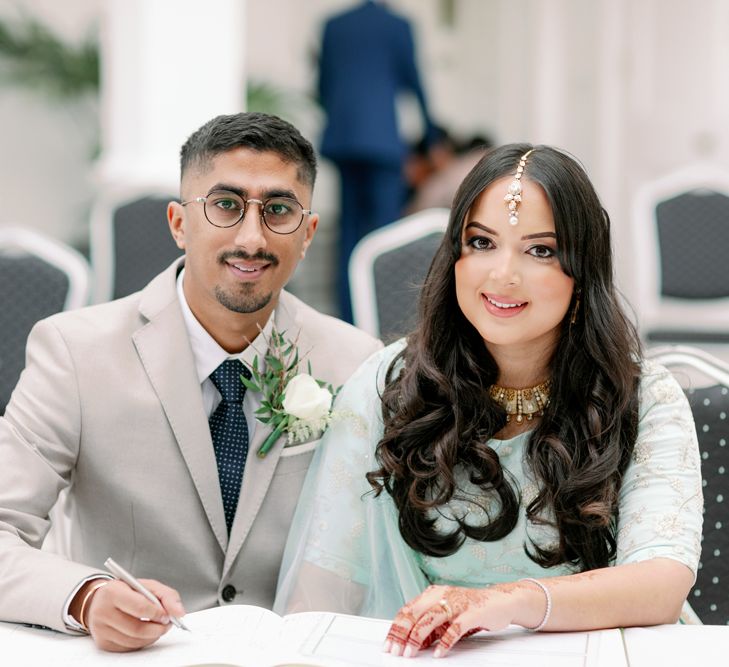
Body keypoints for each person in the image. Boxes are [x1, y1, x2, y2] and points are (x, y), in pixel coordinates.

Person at [275, 144, 703, 658]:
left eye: (540, 250)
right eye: (481, 242)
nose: (503, 274)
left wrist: (507, 602)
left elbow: (660, 583)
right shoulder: (391, 386)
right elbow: (325, 594)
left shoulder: (641, 397)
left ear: (582, 270)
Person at [0, 112, 381, 652]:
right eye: (226, 206)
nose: (252, 238)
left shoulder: (354, 363)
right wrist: (86, 596)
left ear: (308, 233)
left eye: (278, 211)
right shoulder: (75, 353)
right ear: (179, 223)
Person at [317, 0, 435, 322]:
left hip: (344, 138)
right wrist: (431, 131)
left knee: (349, 232)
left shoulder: (334, 24)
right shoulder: (398, 25)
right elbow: (413, 80)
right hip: (382, 139)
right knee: (385, 232)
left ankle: (347, 315)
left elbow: (323, 85)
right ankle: (383, 314)